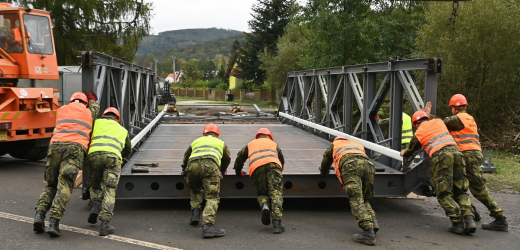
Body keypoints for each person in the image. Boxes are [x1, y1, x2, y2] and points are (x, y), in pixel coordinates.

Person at [425, 95, 508, 231]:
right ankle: (471, 212)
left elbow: (439, 124)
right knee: (460, 185)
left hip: (466, 154)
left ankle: (500, 218)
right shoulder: (469, 118)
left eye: (451, 107)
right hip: (472, 154)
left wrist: (427, 115)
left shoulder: (457, 119)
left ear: (453, 107)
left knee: (477, 188)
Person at [33, 91, 100, 237]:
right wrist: (92, 99)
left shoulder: (61, 110)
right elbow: (95, 109)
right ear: (85, 103)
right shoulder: (88, 111)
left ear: (71, 100)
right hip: (74, 148)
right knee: (65, 183)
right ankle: (54, 222)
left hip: (55, 146)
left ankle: (39, 215)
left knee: (51, 184)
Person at [401, 110, 475, 235]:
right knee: (461, 190)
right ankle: (469, 219)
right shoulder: (439, 121)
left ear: (415, 124)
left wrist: (404, 153)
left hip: (442, 157)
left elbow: (411, 150)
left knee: (443, 193)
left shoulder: (419, 132)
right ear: (427, 118)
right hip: (457, 154)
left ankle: (457, 223)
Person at [320, 136, 377, 246]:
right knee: (365, 198)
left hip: (350, 165)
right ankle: (374, 223)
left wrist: (323, 172)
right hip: (369, 165)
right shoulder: (356, 144)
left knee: (356, 198)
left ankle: (368, 232)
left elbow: (326, 161)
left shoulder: (335, 145)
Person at [86, 107, 131, 236]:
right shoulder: (123, 130)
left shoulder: (96, 123)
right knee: (110, 189)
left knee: (95, 184)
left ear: (104, 115)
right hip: (112, 158)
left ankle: (95, 206)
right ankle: (104, 224)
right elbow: (128, 150)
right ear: (118, 119)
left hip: (94, 156)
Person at [181, 124, 231, 238]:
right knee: (212, 196)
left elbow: (186, 156)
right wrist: (222, 169)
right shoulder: (220, 142)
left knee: (195, 189)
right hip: (210, 165)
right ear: (217, 134)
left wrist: (184, 171)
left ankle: (195, 214)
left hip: (192, 165)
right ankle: (208, 227)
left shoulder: (196, 141)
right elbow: (227, 158)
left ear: (204, 133)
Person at [234, 128, 285, 233]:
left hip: (257, 168)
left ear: (257, 136)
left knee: (262, 193)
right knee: (276, 193)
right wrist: (279, 171)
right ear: (269, 136)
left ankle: (264, 204)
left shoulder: (251, 144)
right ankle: (277, 224)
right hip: (273, 166)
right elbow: (281, 159)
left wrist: (238, 172)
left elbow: (239, 158)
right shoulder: (273, 143)